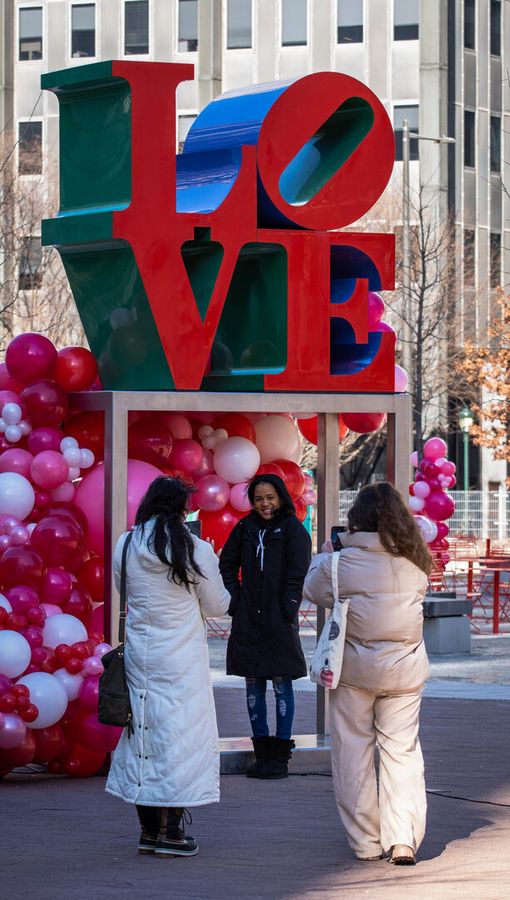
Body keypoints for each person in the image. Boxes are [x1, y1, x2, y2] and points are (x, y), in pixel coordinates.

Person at [303, 482, 432, 866]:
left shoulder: (339, 564)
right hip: (405, 672)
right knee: (402, 753)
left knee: (352, 753)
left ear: (356, 519)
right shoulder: (416, 563)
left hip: (352, 670)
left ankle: (365, 842)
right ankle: (403, 838)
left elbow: (312, 591)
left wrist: (326, 554)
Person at [105, 477, 231, 858]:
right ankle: (172, 832)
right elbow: (218, 605)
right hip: (181, 660)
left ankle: (147, 831)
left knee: (142, 735)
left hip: (141, 656)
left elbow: (121, 588)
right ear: (182, 510)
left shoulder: (125, 544)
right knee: (180, 740)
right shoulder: (193, 548)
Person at [219, 473, 311, 779]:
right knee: (253, 686)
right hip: (248, 619)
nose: (265, 504)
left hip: (278, 620)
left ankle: (280, 755)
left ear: (281, 496)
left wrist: (288, 606)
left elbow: (298, 572)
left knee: (282, 686)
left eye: (270, 497)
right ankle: (262, 753)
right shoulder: (244, 528)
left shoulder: (292, 530)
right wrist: (235, 598)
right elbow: (227, 565)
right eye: (259, 499)